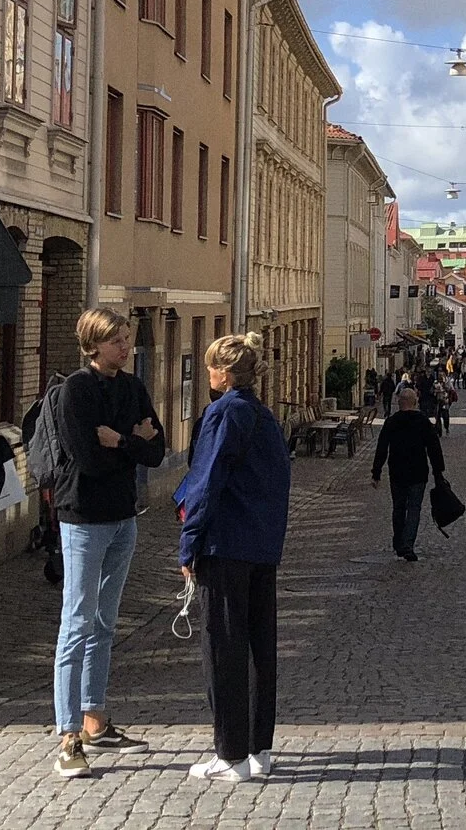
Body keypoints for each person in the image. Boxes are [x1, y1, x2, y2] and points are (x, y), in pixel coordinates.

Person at [50, 308, 166, 780]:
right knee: (76, 622)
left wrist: (120, 441)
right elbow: (87, 461)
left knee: (105, 621)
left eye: (127, 338)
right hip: (83, 518)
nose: (125, 347)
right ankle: (68, 736)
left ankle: (95, 719)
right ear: (93, 345)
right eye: (117, 340)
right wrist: (131, 442)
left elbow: (156, 452)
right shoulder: (75, 391)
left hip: (123, 517)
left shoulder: (133, 388)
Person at [176, 334, 291, 785]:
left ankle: (230, 754)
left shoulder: (224, 413)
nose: (208, 374)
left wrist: (189, 542)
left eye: (211, 367)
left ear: (224, 374)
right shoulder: (265, 416)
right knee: (261, 648)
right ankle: (259, 748)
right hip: (262, 545)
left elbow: (205, 480)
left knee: (223, 648)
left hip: (225, 544)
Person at [370, 388, 445, 561]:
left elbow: (382, 448)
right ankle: (408, 544)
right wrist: (438, 472)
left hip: (397, 472)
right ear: (415, 402)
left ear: (399, 403)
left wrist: (376, 472)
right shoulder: (422, 421)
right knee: (414, 509)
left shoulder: (392, 422)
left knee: (398, 508)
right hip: (418, 473)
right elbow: (434, 448)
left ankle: (398, 541)